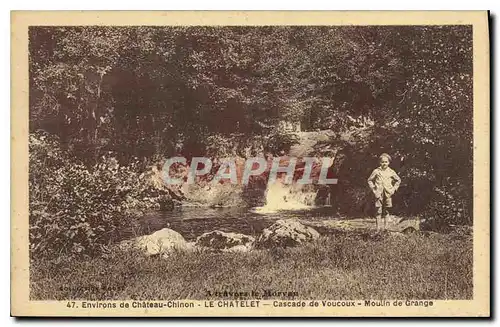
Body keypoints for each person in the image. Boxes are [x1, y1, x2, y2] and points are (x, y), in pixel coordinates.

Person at [367, 153, 401, 231]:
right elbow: (369, 180)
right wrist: (374, 190)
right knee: (378, 211)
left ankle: (386, 228)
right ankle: (378, 229)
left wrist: (393, 189)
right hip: (378, 194)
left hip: (388, 193)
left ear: (389, 162)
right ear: (380, 162)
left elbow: (398, 180)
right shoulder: (376, 171)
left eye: (386, 162)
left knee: (387, 211)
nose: (384, 163)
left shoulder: (391, 171)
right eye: (382, 162)